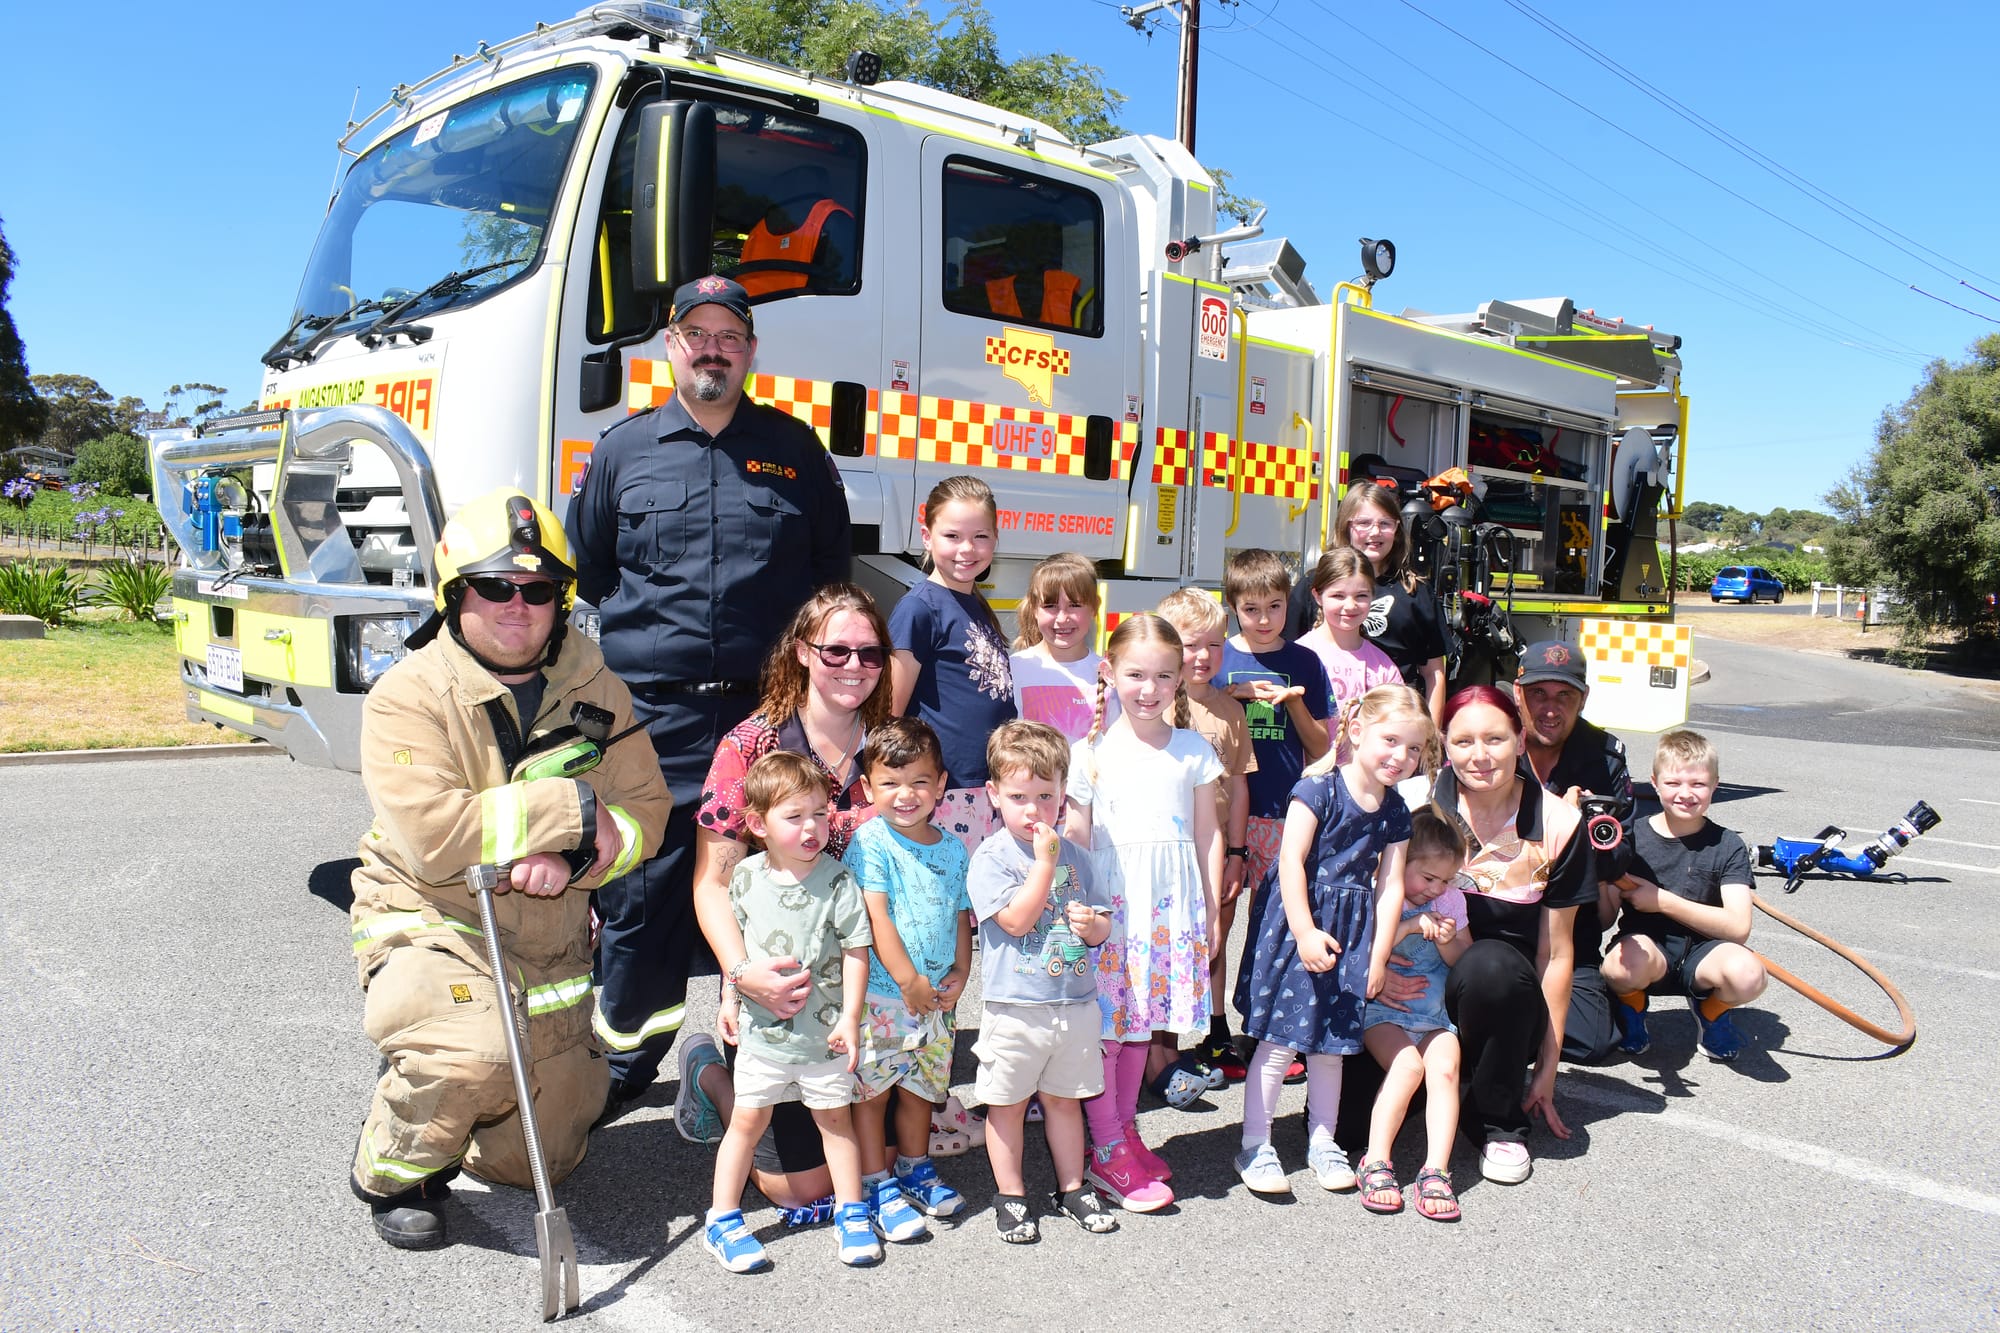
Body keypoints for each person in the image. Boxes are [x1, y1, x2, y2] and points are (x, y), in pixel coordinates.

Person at [347, 490, 671, 1250]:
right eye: (495, 587)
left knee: (545, 1158)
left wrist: (573, 858)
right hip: (437, 918)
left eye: (538, 589)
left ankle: (461, 1100)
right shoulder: (408, 695)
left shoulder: (596, 685)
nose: (518, 606)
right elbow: (437, 837)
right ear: (456, 595)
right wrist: (571, 811)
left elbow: (647, 814)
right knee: (476, 1054)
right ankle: (393, 1170)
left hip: (547, 937)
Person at [570, 273, 851, 1114]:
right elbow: (592, 569)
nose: (713, 349)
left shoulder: (795, 451)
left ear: (751, 351)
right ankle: (623, 1066)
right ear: (672, 346)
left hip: (768, 720)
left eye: (730, 336)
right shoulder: (622, 452)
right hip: (655, 720)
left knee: (776, 887)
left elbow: (829, 576)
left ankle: (756, 1063)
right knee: (643, 895)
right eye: (698, 334)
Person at [685, 583, 894, 1217]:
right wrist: (741, 974)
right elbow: (712, 883)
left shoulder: (893, 747)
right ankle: (710, 1076)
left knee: (879, 1154)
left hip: (865, 985)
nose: (854, 666)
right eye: (836, 651)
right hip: (778, 990)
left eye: (869, 653)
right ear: (802, 652)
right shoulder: (750, 747)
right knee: (799, 1189)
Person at [1232, 684, 1427, 1197]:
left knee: (1331, 1045)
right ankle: (1255, 1144)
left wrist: (1378, 956)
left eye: (1413, 748)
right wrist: (1304, 931)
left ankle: (1323, 1140)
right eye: (1391, 741)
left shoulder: (1396, 810)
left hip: (1352, 933)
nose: (1401, 757)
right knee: (1279, 1042)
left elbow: (1390, 886)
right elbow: (1290, 861)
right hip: (1300, 924)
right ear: (1357, 731)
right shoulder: (1317, 789)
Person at [1401, 685, 1595, 1186]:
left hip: (1506, 999)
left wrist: (1547, 1065)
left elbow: (1557, 955)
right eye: (1463, 741)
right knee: (1351, 1128)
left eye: (1495, 739)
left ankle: (1499, 1122)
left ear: (1521, 740)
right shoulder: (1409, 803)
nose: (1480, 756)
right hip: (1407, 992)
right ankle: (1441, 1076)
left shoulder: (1559, 823)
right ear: (1444, 745)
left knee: (1490, 964)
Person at [1065, 614, 1224, 1208]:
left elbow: (1208, 834)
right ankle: (1106, 1148)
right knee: (1111, 1033)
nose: (1149, 689)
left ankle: (1125, 1130)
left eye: (1163, 676)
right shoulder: (1089, 755)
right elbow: (1076, 840)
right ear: (1109, 673)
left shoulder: (1193, 751)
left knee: (1141, 1029)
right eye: (1135, 674)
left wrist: (1210, 912)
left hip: (1169, 913)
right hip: (1113, 916)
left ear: (1180, 678)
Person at [705, 753, 876, 1273]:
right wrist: (731, 997)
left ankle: (851, 1212)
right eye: (795, 816)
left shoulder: (839, 881)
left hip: (824, 1038)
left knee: (836, 1123)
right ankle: (722, 1220)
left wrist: (850, 1018)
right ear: (758, 825)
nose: (811, 827)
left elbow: (856, 950)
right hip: (763, 1037)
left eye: (820, 814)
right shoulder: (745, 878)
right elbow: (739, 948)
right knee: (747, 1122)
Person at [967, 721, 1119, 1243]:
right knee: (1007, 1104)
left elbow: (1103, 924)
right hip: (1015, 1008)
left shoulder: (1077, 856)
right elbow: (1015, 921)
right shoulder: (992, 857)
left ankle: (1072, 1187)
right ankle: (1010, 1195)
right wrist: (1043, 865)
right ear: (994, 795)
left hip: (1074, 1004)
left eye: (1046, 796)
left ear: (1062, 792)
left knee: (1064, 1100)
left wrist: (1092, 926)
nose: (1033, 809)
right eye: (1018, 797)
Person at [841, 718, 974, 1241]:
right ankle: (874, 1182)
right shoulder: (870, 842)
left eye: (919, 781)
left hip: (937, 1000)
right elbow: (875, 916)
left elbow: (960, 913)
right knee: (871, 1095)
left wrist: (962, 970)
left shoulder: (953, 848)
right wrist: (907, 980)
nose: (905, 794)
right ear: (867, 787)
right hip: (883, 997)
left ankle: (915, 1168)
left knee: (922, 1089)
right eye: (890, 782)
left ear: (941, 785)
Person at [1600, 729, 1769, 1063]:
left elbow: (1738, 928)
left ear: (1715, 785)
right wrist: (1601, 876)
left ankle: (1711, 1011)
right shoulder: (1631, 838)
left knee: (1750, 975)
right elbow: (1605, 920)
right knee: (1619, 967)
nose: (1686, 794)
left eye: (1698, 784)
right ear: (1654, 783)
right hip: (1648, 952)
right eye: (1673, 783)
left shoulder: (1728, 845)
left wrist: (1662, 901)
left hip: (1706, 955)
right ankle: (1632, 1007)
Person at [1513, 638, 1636, 1065]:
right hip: (1501, 922)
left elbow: (1620, 855)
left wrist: (1575, 834)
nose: (1551, 709)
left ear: (1583, 699)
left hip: (1569, 930)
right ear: (1518, 693)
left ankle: (1515, 1023)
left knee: (1595, 1040)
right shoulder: (1495, 744)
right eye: (1539, 694)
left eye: (1565, 695)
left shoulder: (1604, 756)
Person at [1156, 587, 1257, 1081]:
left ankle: (1216, 1029)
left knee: (1214, 938)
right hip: (1164, 852)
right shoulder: (1153, 705)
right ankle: (1161, 1046)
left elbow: (1237, 789)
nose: (1203, 655)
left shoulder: (1230, 712)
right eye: (1191, 644)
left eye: (1215, 644)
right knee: (1166, 942)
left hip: (1215, 851)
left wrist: (1237, 854)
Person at [889, 475, 1017, 854]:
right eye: (952, 536)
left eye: (980, 536)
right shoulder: (918, 609)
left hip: (988, 789)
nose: (967, 549)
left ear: (996, 538)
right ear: (927, 537)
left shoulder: (976, 604)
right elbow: (890, 712)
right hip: (946, 795)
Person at [1356, 809, 1471, 1221]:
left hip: (1434, 1014)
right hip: (1383, 1013)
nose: (1436, 889)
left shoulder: (1450, 901)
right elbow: (1362, 954)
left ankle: (1436, 1169)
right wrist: (1406, 927)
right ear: (1400, 862)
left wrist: (1447, 940)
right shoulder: (1377, 894)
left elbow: (1464, 960)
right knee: (1407, 1068)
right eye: (1428, 878)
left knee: (1446, 1069)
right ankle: (1376, 1159)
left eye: (1446, 880)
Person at [1221, 548, 1332, 919]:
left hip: (1281, 810)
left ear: (1288, 601)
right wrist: (1227, 699)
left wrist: (1293, 702)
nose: (1265, 619)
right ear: (1232, 607)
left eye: (1275, 606)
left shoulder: (1305, 661)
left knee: (1267, 921)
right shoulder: (1217, 659)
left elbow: (1320, 747)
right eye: (1251, 609)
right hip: (1222, 809)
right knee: (1219, 915)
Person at [1290, 481, 1447, 724]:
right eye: (1364, 523)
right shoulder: (1316, 583)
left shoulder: (1416, 591)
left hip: (1394, 720)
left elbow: (1434, 674)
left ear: (1397, 529)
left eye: (1385, 523)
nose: (1375, 533)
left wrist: (1431, 735)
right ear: (1346, 526)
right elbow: (1285, 653)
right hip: (1320, 723)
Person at [1297, 547, 1402, 752]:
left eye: (1361, 596)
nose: (1350, 605)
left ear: (1373, 596)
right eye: (1338, 595)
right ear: (1317, 596)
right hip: (1308, 769)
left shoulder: (1383, 666)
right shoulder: (1299, 655)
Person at [1010, 551, 1113, 743]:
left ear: (1094, 607)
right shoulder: (1013, 669)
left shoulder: (1109, 674)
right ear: (1034, 608)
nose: (1062, 618)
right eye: (1050, 606)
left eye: (1074, 605)